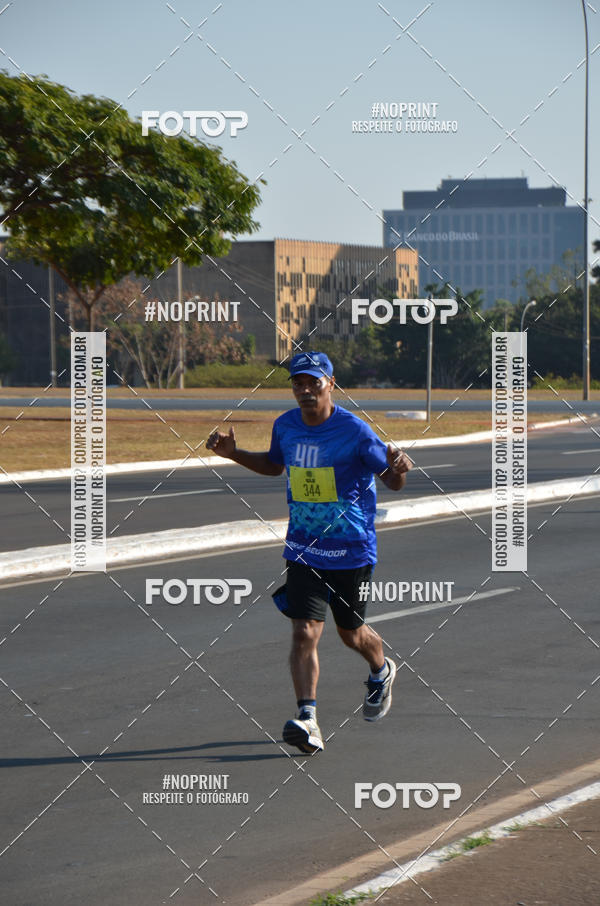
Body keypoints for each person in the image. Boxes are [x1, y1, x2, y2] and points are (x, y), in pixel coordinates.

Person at [206, 351, 412, 754]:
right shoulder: (285, 426)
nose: (304, 390)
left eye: (312, 383)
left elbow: (391, 481)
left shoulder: (354, 431)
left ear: (330, 384)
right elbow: (274, 465)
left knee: (351, 634)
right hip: (303, 547)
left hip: (352, 550)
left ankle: (381, 669)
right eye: (297, 383)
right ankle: (308, 718)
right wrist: (234, 454)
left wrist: (399, 467)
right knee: (304, 632)